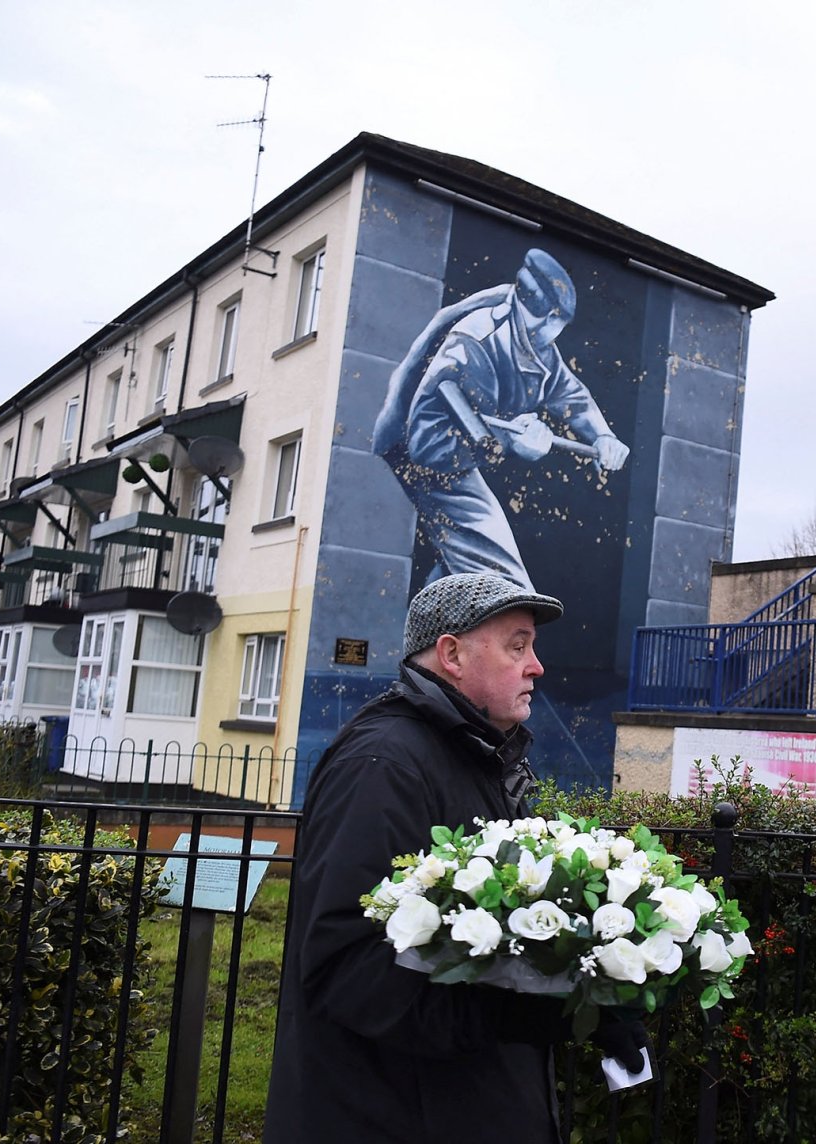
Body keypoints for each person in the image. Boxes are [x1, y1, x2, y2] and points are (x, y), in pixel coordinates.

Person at [266, 573, 647, 1143]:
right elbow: (347, 969)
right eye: (517, 646)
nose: (536, 665)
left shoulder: (473, 753)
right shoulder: (385, 764)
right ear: (452, 655)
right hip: (392, 1116)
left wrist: (578, 984)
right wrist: (524, 1012)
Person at [372, 248, 630, 591]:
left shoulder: (530, 336)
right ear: (550, 317)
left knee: (465, 573)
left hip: (451, 444)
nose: (557, 334)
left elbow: (569, 393)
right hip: (418, 450)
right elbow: (426, 442)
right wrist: (509, 443)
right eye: (557, 324)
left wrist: (602, 435)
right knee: (504, 582)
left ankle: (432, 625)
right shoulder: (475, 342)